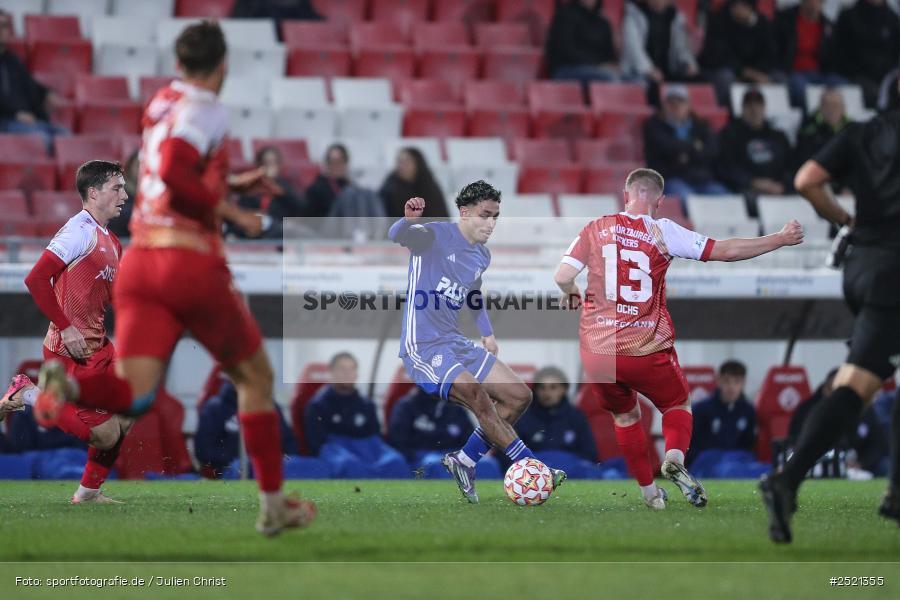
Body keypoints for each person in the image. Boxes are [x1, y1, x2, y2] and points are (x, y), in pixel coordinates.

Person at [32, 21, 315, 536]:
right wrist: (232, 210)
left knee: (133, 394)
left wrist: (231, 179)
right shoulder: (207, 108)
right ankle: (274, 507)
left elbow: (164, 171)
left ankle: (61, 388)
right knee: (255, 378)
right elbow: (176, 170)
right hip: (188, 263)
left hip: (143, 262)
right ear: (222, 66)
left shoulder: (161, 101)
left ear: (180, 64)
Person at [554, 167, 803, 510]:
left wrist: (571, 293)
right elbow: (724, 251)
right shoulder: (662, 230)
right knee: (676, 406)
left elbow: (562, 275)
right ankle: (674, 458)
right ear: (659, 200)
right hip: (644, 345)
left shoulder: (595, 227)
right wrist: (778, 238)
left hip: (597, 350)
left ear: (626, 194)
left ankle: (650, 495)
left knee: (625, 418)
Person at [760, 77, 900, 543]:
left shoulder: (861, 132)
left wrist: (845, 220)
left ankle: (894, 493)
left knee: (861, 377)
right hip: (896, 270)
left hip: (863, 266)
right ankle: (787, 479)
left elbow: (806, 181)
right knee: (857, 384)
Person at [389, 180, 567, 503]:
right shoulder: (434, 235)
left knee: (518, 396)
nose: (491, 223)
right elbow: (398, 236)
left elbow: (472, 292)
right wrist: (408, 221)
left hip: (454, 341)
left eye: (496, 216)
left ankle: (465, 459)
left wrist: (487, 332)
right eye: (485, 215)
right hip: (423, 346)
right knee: (476, 395)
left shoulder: (481, 255)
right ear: (465, 212)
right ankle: (532, 466)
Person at [5, 161, 131, 504]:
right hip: (69, 350)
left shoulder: (112, 241)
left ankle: (88, 493)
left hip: (99, 346)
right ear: (93, 193)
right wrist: (66, 327)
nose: (125, 195)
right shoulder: (78, 231)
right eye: (117, 188)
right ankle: (27, 393)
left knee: (130, 408)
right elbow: (35, 279)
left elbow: (113, 299)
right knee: (104, 436)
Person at [303, 352, 408, 478]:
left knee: (395, 461)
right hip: (335, 449)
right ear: (331, 373)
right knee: (349, 464)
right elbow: (317, 443)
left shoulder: (367, 405)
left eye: (351, 369)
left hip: (366, 447)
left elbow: (375, 435)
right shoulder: (318, 406)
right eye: (342, 369)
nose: (347, 373)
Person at [195, 377, 297, 477]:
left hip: (270, 464)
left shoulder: (269, 406)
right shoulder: (215, 408)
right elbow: (204, 451)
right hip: (230, 469)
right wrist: (241, 459)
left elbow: (288, 441)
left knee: (301, 466)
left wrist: (283, 458)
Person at [643, 85, 729, 204]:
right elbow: (665, 147)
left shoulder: (701, 125)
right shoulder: (655, 126)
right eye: (671, 102)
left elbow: (712, 151)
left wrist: (684, 155)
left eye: (680, 101)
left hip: (703, 180)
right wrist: (695, 147)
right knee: (687, 200)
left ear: (688, 105)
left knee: (727, 199)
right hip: (673, 179)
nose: (676, 105)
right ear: (664, 105)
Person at [0, 10, 68, 151]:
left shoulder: (12, 60)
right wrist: (14, 114)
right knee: (42, 139)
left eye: (5, 26)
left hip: (27, 122)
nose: (2, 30)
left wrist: (47, 94)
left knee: (65, 136)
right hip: (5, 122)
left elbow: (30, 85)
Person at [387, 387, 492, 477]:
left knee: (489, 464)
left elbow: (470, 436)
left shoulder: (454, 408)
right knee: (437, 464)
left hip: (456, 452)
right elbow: (399, 440)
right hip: (422, 455)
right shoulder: (406, 406)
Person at [514, 367, 598, 477]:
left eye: (553, 387)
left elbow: (589, 453)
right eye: (542, 388)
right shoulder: (523, 417)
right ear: (535, 390)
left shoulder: (576, 417)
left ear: (564, 389)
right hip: (533, 476)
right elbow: (511, 455)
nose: (547, 393)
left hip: (571, 473)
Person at [700, 0, 780, 105]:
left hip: (757, 71)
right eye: (735, 5)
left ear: (751, 7)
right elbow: (719, 57)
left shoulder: (763, 24)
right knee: (725, 77)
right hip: (726, 70)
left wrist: (759, 73)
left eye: (743, 5)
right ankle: (728, 114)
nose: (738, 9)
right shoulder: (719, 21)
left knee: (779, 78)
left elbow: (770, 55)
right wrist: (748, 73)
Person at [716, 89, 794, 196]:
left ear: (764, 108)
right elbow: (726, 168)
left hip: (778, 187)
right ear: (742, 109)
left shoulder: (778, 136)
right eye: (749, 106)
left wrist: (781, 185)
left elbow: (790, 165)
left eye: (758, 105)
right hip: (746, 188)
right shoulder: (730, 135)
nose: (754, 110)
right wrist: (753, 182)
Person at [774, 0, 843, 108]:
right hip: (793, 72)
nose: (814, 5)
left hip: (820, 74)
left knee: (845, 88)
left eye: (819, 2)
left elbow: (832, 56)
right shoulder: (786, 20)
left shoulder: (827, 26)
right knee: (801, 90)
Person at [831, 0, 900, 107]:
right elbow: (839, 52)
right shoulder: (849, 16)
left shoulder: (893, 19)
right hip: (854, 76)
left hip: (885, 78)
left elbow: (896, 55)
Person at [687, 360, 757, 465]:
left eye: (737, 381)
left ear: (743, 383)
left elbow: (748, 445)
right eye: (727, 381)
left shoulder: (748, 410)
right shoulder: (701, 409)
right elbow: (691, 447)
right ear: (719, 381)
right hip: (707, 463)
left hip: (736, 461)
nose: (731, 387)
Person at [227, 145, 304, 240]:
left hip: (278, 229)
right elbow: (242, 210)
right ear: (260, 165)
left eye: (273, 162)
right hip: (254, 228)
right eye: (266, 163)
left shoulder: (284, 185)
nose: (270, 167)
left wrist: (276, 182)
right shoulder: (251, 186)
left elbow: (299, 206)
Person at [544, 0, 620, 90]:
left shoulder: (603, 23)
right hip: (567, 69)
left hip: (598, 70)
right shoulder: (565, 15)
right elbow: (566, 50)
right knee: (608, 78)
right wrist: (597, 65)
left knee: (634, 81)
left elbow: (609, 55)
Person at [620, 0, 699, 85]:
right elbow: (633, 48)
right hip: (637, 72)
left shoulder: (675, 17)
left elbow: (682, 47)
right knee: (644, 83)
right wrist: (649, 70)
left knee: (696, 81)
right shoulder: (634, 15)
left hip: (667, 71)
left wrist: (687, 63)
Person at [379, 147, 448, 220]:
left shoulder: (429, 188)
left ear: (418, 164)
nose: (402, 166)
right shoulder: (389, 190)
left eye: (407, 161)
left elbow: (442, 218)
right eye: (400, 162)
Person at [793, 88, 850, 175]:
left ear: (843, 108)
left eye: (835, 105)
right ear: (821, 108)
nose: (831, 110)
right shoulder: (809, 129)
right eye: (827, 105)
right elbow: (803, 160)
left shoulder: (852, 129)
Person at [305, 143, 352, 220]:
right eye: (332, 162)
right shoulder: (315, 190)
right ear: (326, 164)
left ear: (346, 163)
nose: (336, 165)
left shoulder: (350, 186)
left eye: (340, 161)